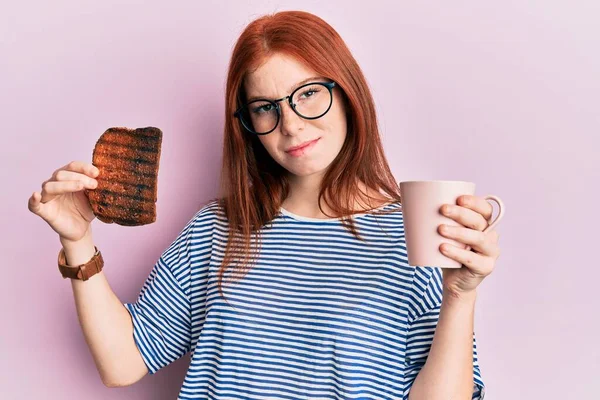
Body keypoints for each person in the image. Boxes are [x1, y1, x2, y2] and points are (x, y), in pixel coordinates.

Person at [28, 10, 495, 400]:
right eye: (265, 107)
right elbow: (122, 363)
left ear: (348, 94)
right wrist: (78, 239)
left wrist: (459, 295)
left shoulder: (417, 233)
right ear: (248, 123)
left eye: (309, 93)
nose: (290, 124)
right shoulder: (217, 228)